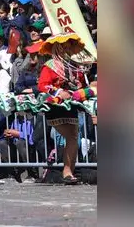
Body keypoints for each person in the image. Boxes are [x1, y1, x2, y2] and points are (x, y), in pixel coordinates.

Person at [37, 33, 91, 185]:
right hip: (55, 106)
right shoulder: (50, 66)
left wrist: (80, 86)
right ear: (56, 48)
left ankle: (68, 172)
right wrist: (59, 92)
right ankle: (67, 171)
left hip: (71, 106)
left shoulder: (74, 67)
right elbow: (42, 85)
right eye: (63, 47)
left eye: (68, 46)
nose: (66, 49)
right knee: (70, 136)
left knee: (73, 137)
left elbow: (80, 85)